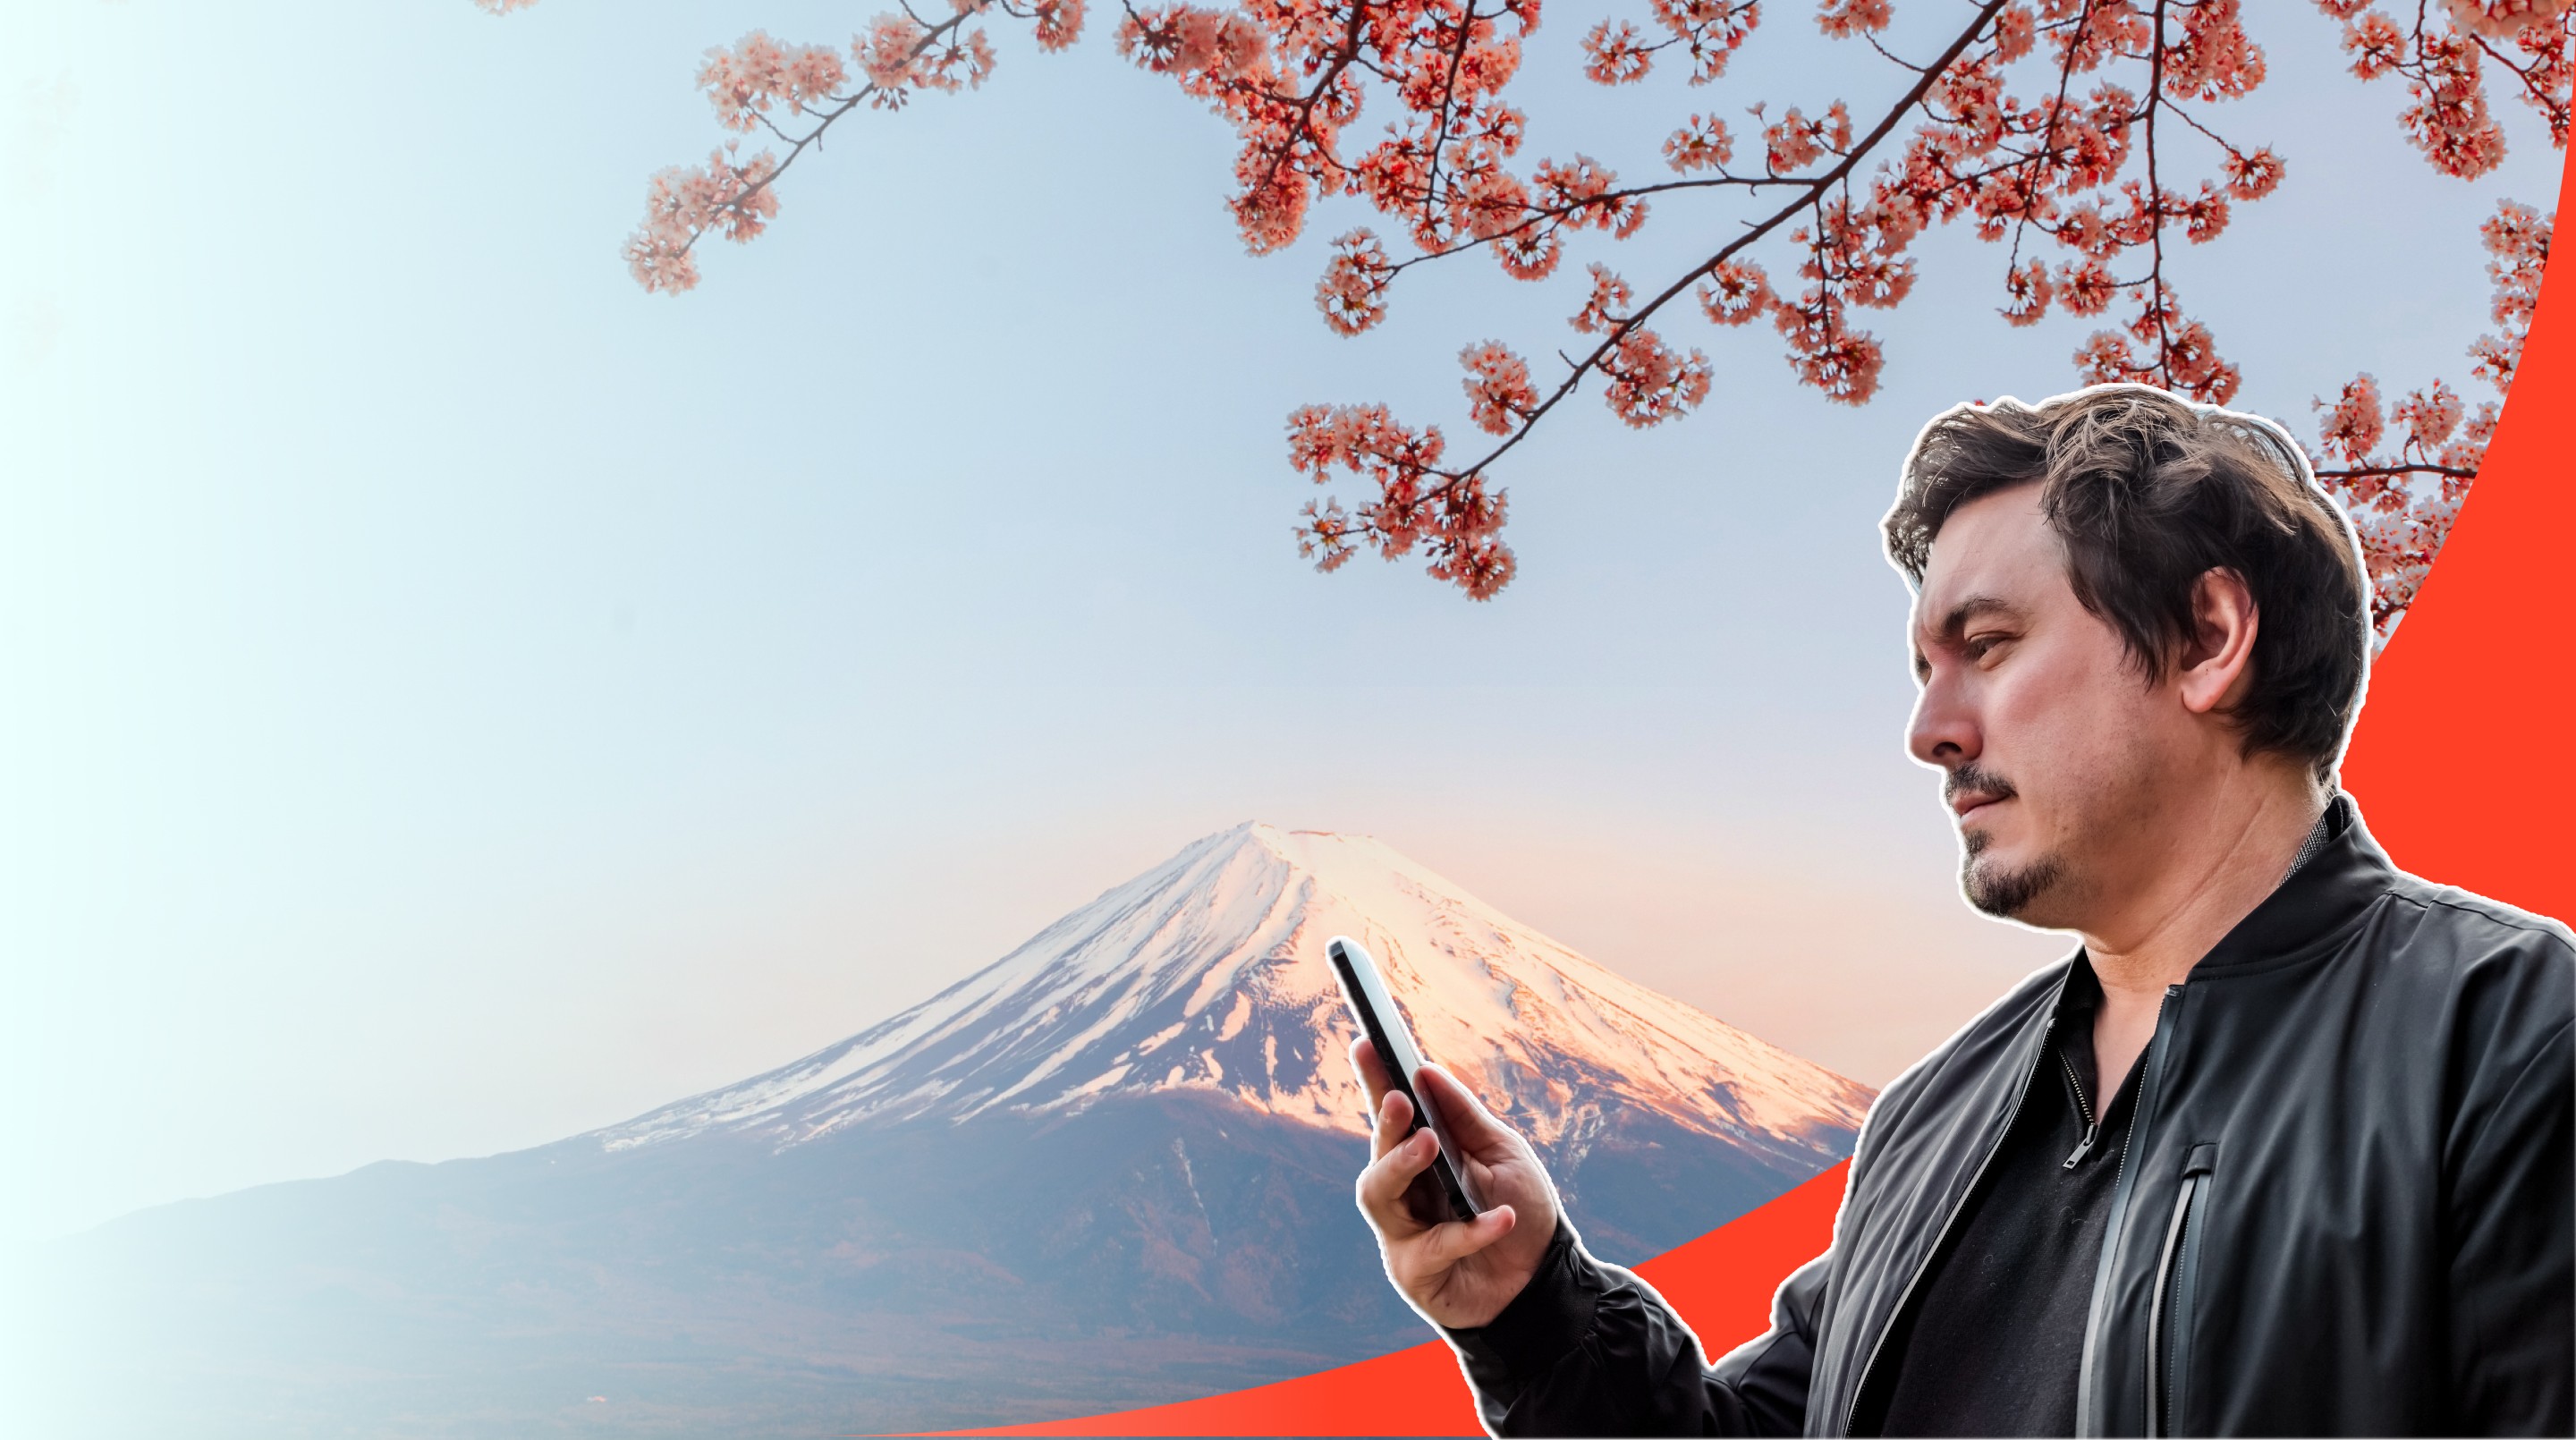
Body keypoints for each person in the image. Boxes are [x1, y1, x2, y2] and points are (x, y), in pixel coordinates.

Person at [1349, 384, 2573, 1437]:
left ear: (2209, 636)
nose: (1930, 730)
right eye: (1924, 669)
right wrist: (1532, 1306)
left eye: (1985, 643)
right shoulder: (1938, 1116)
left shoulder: (2507, 1042)